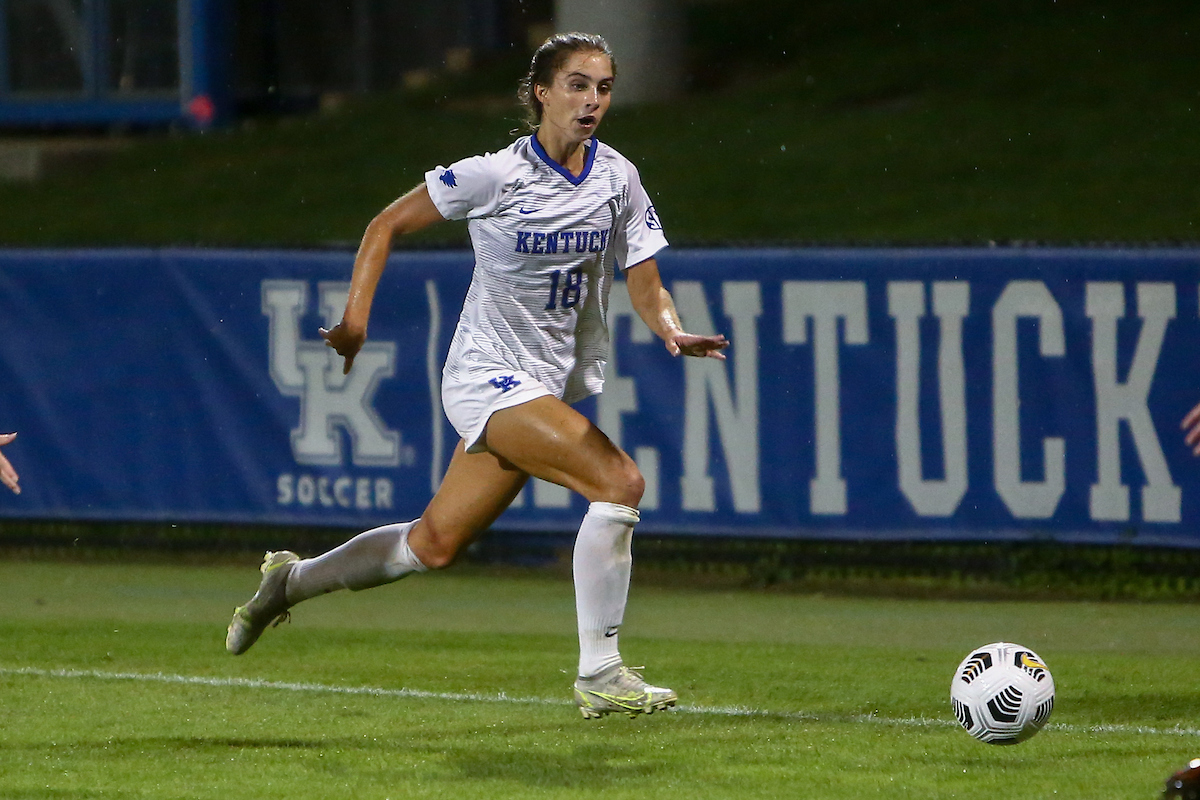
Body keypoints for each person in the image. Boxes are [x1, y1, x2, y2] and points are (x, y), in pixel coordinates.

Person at [226, 32, 729, 719]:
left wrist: (671, 328)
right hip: (485, 377)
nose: (592, 100)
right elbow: (385, 226)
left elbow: (644, 280)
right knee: (618, 482)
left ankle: (290, 581)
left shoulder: (618, 177)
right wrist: (355, 321)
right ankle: (601, 671)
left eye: (604, 87)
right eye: (577, 85)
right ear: (542, 93)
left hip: (538, 386)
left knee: (431, 545)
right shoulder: (495, 175)